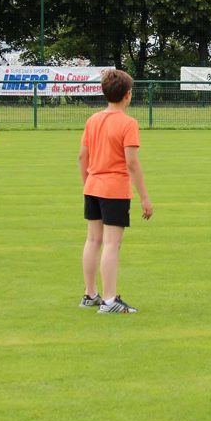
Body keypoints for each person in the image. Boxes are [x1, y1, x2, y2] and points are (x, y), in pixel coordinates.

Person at [78, 69, 153, 313]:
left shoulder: (93, 120)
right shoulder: (128, 123)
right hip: (115, 189)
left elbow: (82, 156)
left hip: (93, 186)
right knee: (112, 244)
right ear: (128, 95)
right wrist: (144, 197)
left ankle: (91, 294)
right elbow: (131, 162)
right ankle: (109, 300)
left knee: (92, 240)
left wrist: (87, 183)